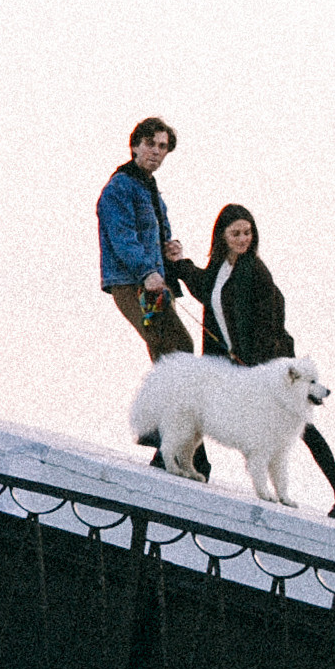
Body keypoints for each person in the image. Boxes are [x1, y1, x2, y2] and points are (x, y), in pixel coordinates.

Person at [196, 203, 335, 519]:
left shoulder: (253, 269)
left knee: (300, 424)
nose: (243, 239)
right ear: (222, 236)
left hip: (269, 363)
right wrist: (178, 262)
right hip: (242, 363)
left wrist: (258, 363)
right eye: (236, 233)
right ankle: (195, 462)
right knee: (206, 400)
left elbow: (271, 317)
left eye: (248, 232)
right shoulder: (223, 266)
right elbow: (204, 288)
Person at [98, 115, 209, 473]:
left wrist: (170, 250)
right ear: (135, 145)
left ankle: (171, 443)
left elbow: (154, 234)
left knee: (172, 352)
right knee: (173, 348)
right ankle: (164, 435)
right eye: (151, 144)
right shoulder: (121, 186)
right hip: (131, 283)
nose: (157, 153)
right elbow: (122, 236)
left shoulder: (149, 188)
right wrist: (147, 271)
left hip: (152, 282)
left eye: (163, 147)